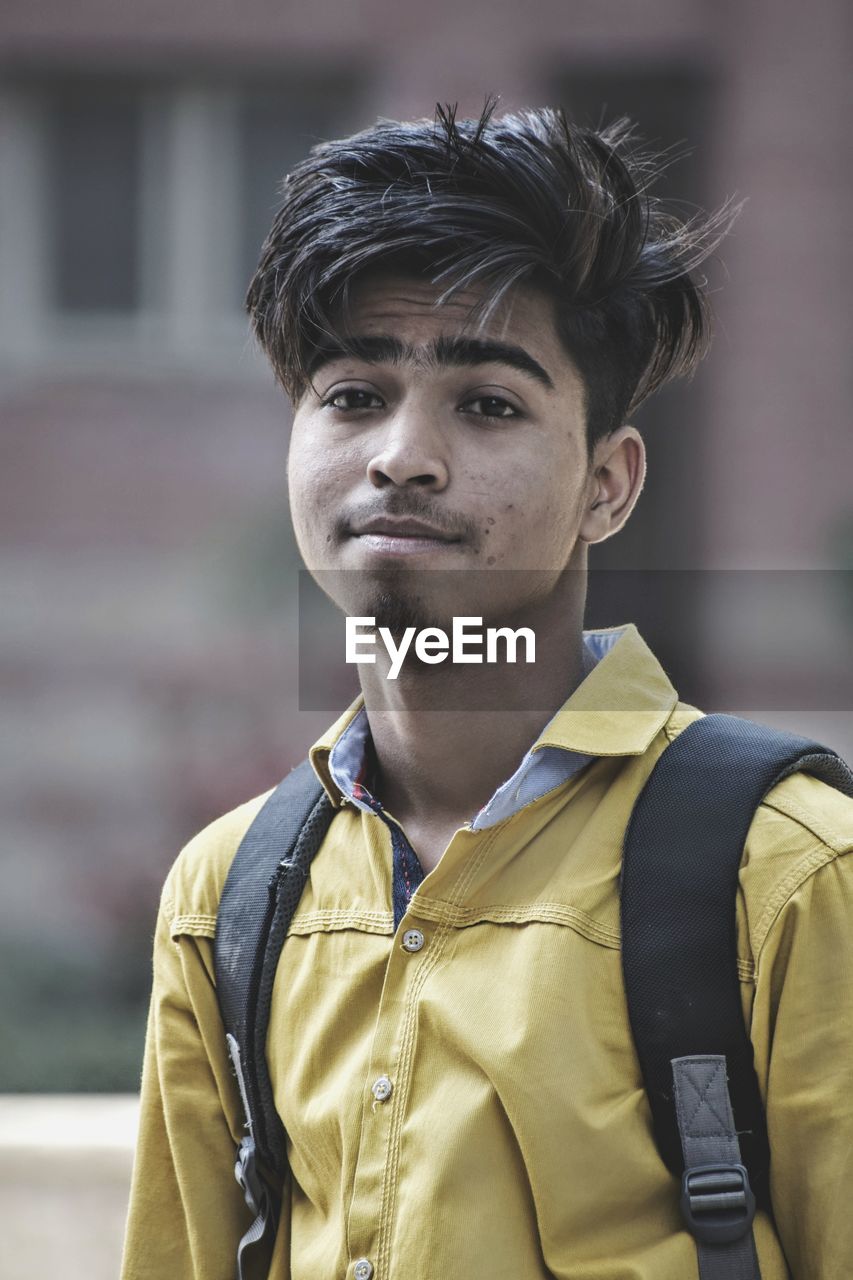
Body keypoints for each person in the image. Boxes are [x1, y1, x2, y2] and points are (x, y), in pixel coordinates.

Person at [120, 101, 853, 1280]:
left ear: (607, 486)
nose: (400, 454)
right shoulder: (230, 893)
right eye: (352, 393)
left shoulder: (788, 871)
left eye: (490, 403)